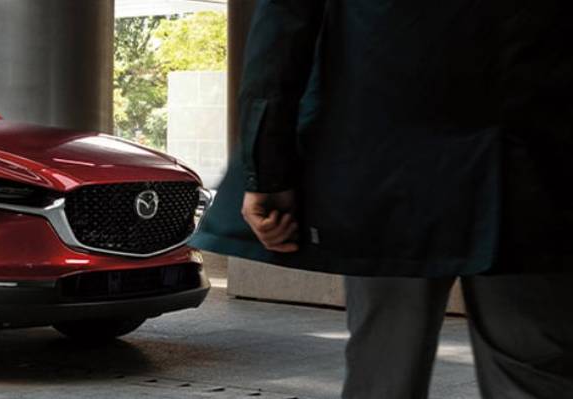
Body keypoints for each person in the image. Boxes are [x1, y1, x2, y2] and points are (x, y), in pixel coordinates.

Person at [189, 1, 573, 397]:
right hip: (530, 168)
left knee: (384, 367)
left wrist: (267, 173)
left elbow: (284, 25)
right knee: (533, 374)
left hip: (386, 170)